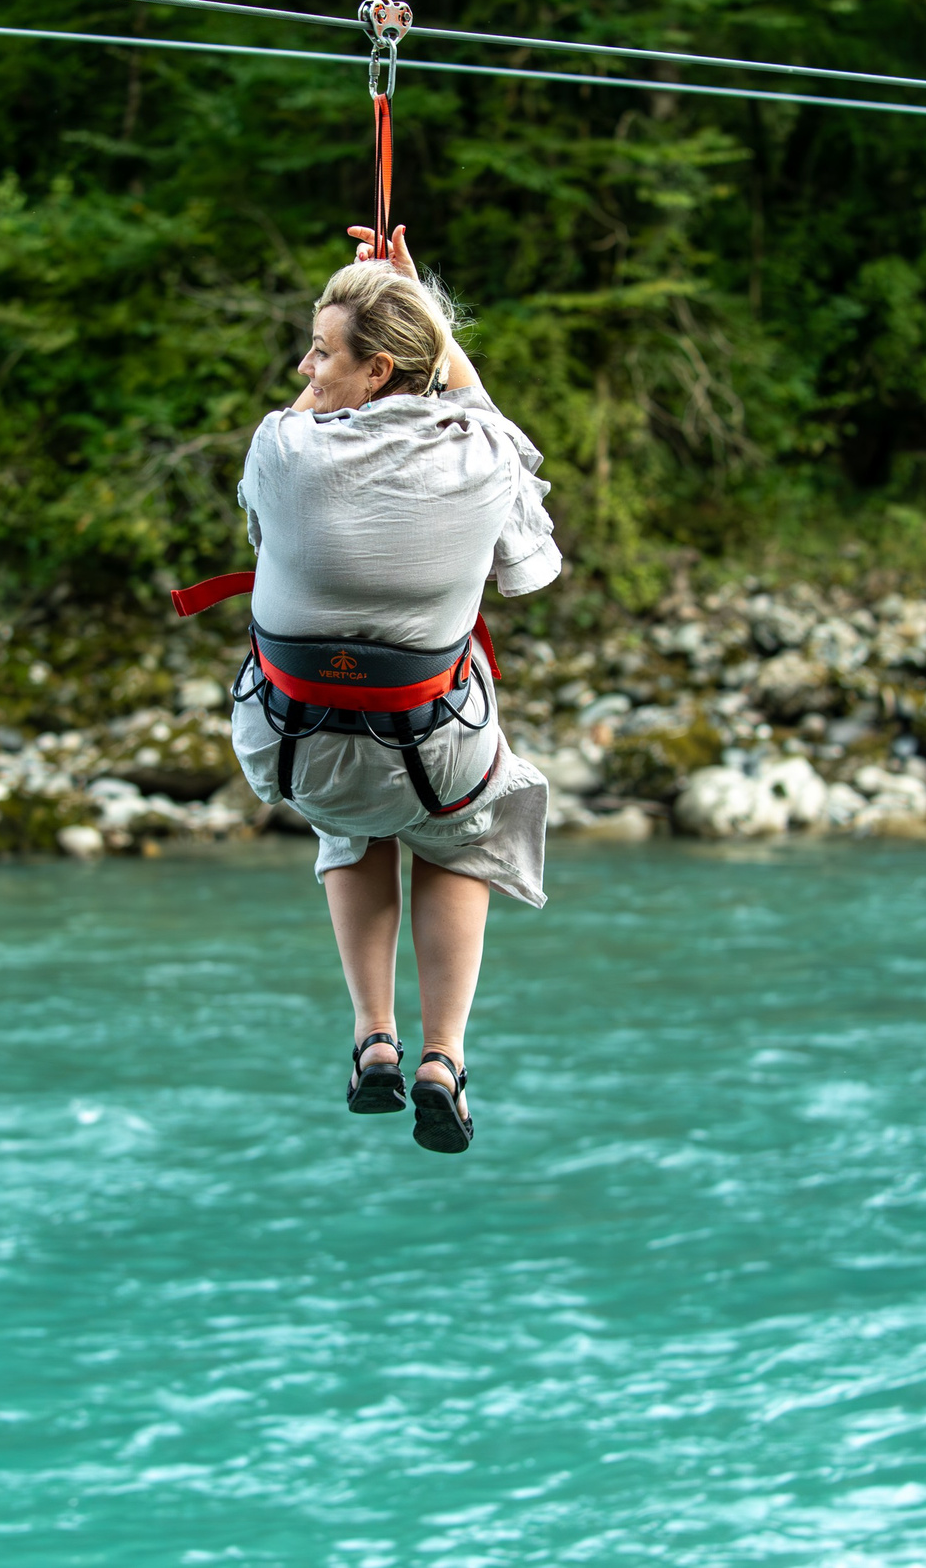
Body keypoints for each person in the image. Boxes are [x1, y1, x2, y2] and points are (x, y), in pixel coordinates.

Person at [226, 224, 560, 1154]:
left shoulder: (280, 450)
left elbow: (274, 499)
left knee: (352, 805)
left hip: (295, 745)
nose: (304, 366)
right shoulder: (484, 455)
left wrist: (387, 336)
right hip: (435, 751)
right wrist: (429, 329)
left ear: (375, 372)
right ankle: (442, 1057)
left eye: (321, 351)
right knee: (462, 828)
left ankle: (374, 1034)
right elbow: (531, 572)